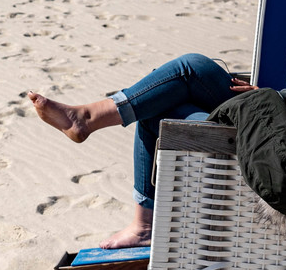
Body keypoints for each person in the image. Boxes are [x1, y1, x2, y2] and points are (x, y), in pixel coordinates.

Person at [27, 53, 257, 249]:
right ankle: (86, 118)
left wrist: (280, 96)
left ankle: (87, 118)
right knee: (186, 72)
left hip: (269, 126)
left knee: (173, 87)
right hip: (263, 106)